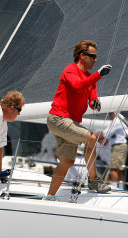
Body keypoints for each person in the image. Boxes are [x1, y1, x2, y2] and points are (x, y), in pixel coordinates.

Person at [45, 40, 112, 200]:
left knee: (67, 162)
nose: (96, 60)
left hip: (69, 123)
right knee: (92, 138)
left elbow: (92, 96)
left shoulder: (91, 79)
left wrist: (94, 102)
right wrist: (98, 75)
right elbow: (76, 86)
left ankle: (49, 196)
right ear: (82, 56)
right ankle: (93, 181)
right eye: (93, 56)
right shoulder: (70, 70)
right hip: (59, 119)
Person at [99, 112, 127, 183]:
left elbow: (106, 133)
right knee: (119, 169)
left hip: (118, 146)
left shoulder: (116, 120)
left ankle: (116, 187)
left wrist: (98, 135)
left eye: (110, 112)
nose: (109, 114)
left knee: (113, 169)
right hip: (121, 146)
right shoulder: (120, 119)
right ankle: (120, 187)